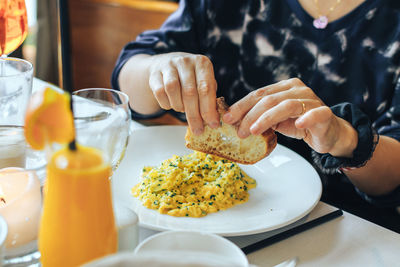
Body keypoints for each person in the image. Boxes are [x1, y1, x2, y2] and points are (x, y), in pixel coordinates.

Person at [112, 0, 400, 232]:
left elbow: (394, 181)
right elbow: (129, 76)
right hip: (199, 230)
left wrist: (346, 139)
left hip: (350, 230)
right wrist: (157, 70)